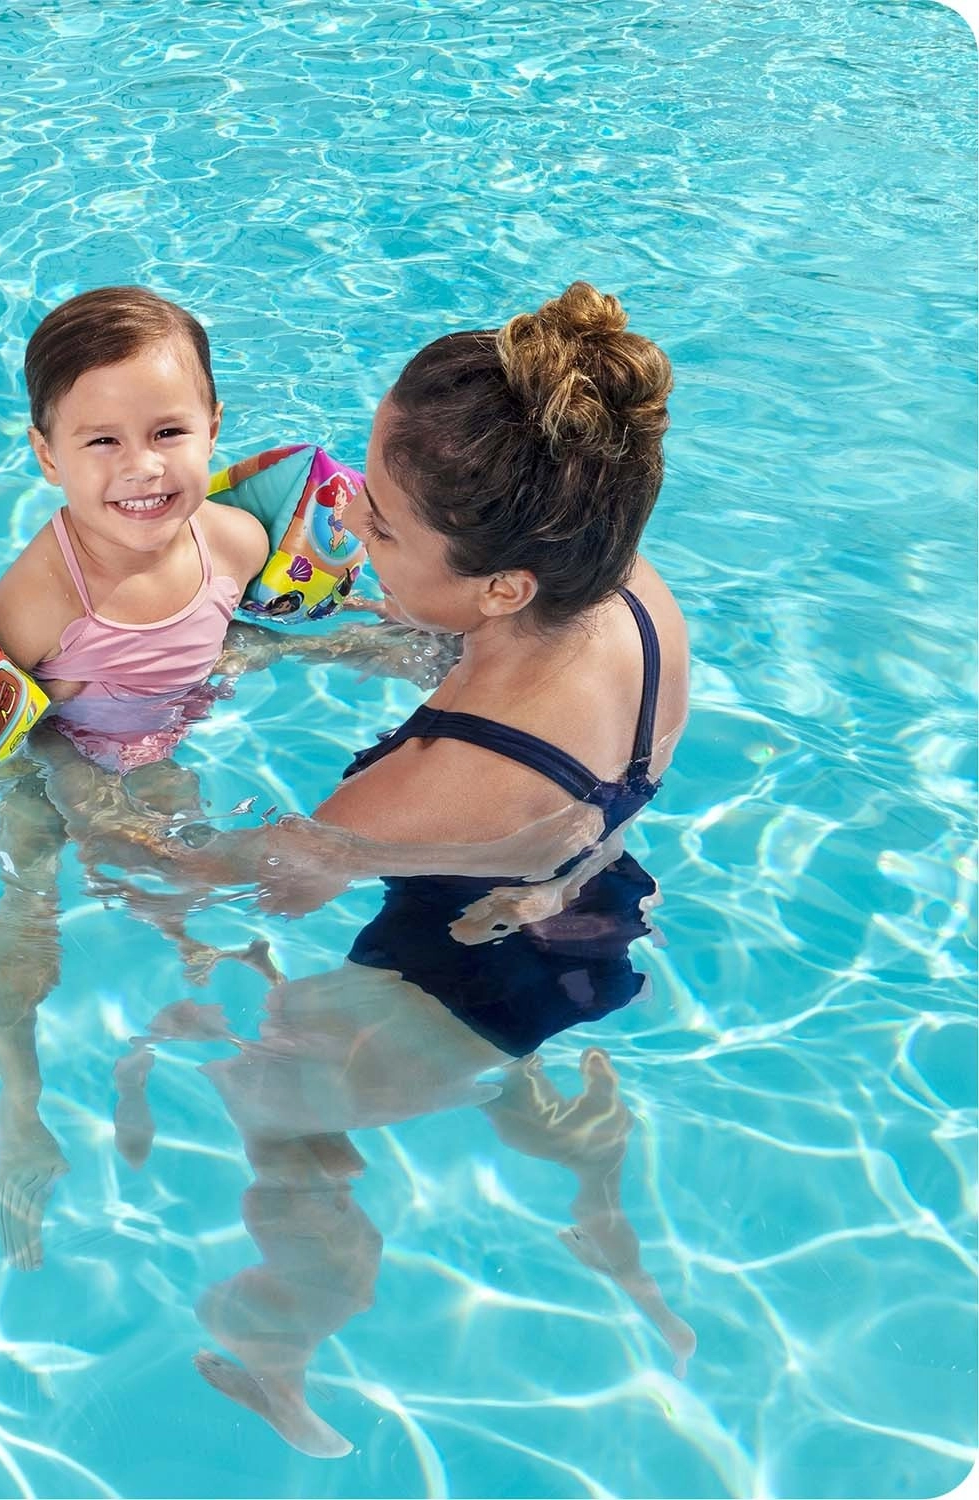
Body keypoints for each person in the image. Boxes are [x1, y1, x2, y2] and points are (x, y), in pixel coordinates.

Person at [59, 280, 693, 1448]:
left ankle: (281, 1348)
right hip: (589, 898)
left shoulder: (433, 784)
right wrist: (291, 644)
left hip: (460, 982)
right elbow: (463, 653)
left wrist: (76, 775)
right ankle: (553, 1124)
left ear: (502, 583)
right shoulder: (620, 585)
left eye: (383, 526)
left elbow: (239, 876)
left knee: (270, 1104)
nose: (344, 516)